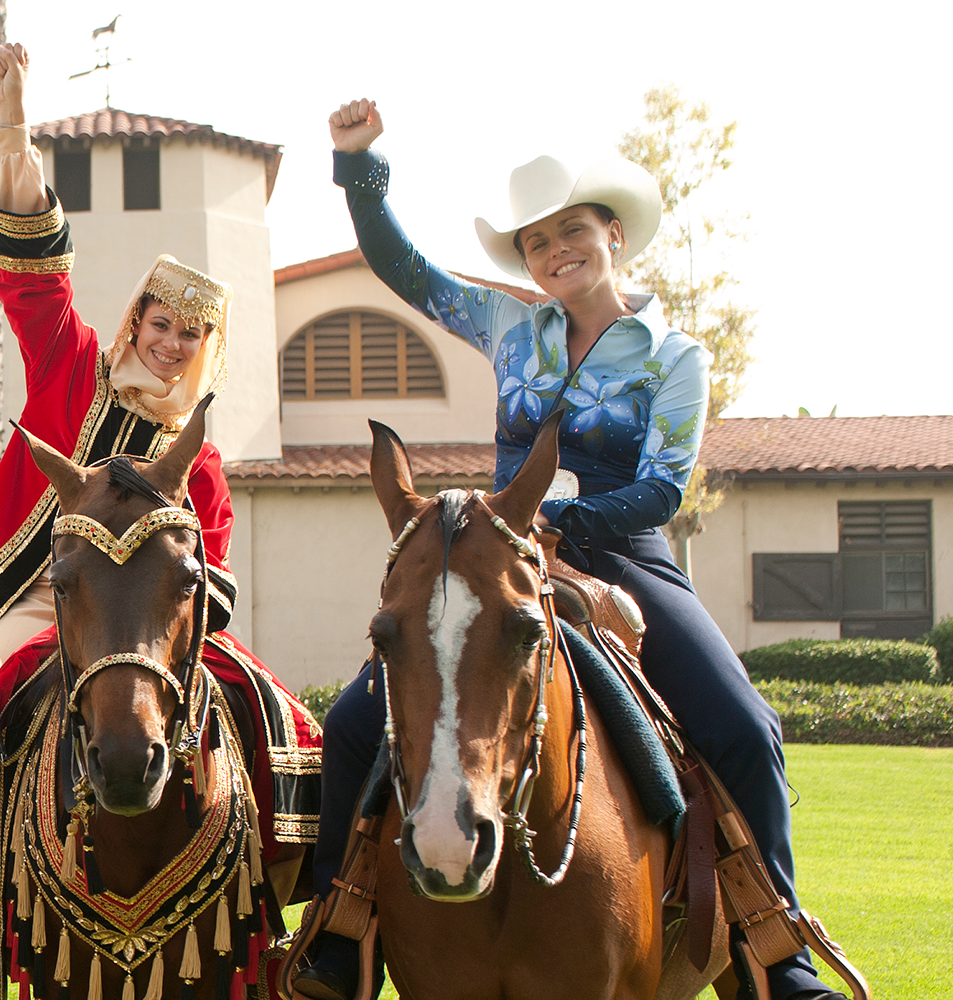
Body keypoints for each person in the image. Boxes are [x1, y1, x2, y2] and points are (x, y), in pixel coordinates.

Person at [290, 99, 844, 1000]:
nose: (556, 253)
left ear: (614, 237)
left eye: (573, 233)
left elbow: (665, 484)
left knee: (746, 726)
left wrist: (564, 523)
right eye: (538, 242)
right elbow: (403, 267)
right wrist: (360, 164)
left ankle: (777, 953)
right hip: (504, 557)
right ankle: (336, 934)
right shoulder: (510, 326)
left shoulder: (674, 355)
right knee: (356, 724)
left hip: (625, 554)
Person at [0, 43, 319, 995]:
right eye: (159, 324)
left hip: (156, 628)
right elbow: (36, 280)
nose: (169, 342)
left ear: (203, 353)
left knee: (284, 720)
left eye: (189, 335)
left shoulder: (200, 461)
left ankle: (289, 910)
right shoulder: (71, 367)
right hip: (41, 604)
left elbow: (212, 574)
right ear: (136, 323)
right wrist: (16, 123)